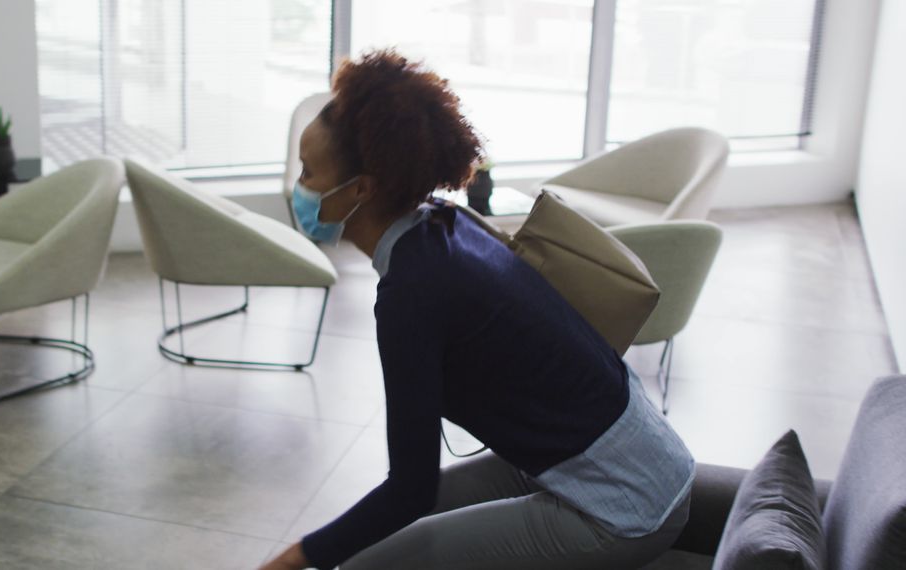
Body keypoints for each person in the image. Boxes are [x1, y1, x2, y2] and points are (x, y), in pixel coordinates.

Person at [260, 49, 693, 570]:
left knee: (363, 564)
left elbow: (410, 489)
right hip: (642, 459)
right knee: (368, 545)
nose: (298, 188)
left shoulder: (412, 293)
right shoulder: (447, 224)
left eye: (309, 173)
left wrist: (295, 556)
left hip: (625, 509)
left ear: (362, 189)